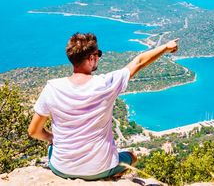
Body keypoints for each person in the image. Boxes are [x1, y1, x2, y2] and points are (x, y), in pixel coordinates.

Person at [28, 32, 179, 180]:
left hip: (61, 168)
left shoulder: (52, 88)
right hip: (100, 168)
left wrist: (52, 138)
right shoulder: (106, 84)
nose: (99, 57)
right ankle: (110, 177)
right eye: (98, 54)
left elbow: (34, 131)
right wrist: (166, 47)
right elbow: (139, 62)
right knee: (132, 156)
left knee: (52, 148)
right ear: (91, 58)